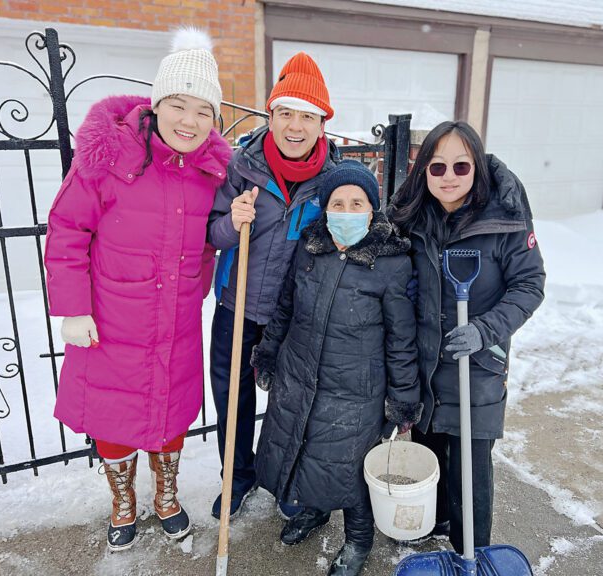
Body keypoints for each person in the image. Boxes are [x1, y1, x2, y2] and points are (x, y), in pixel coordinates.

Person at [44, 28, 231, 551]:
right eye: (178, 105)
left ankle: (166, 496)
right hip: (110, 319)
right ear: (156, 104)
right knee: (114, 414)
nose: (189, 121)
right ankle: (123, 499)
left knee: (170, 410)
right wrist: (72, 309)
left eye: (203, 111)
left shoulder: (212, 172)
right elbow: (66, 230)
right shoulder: (109, 157)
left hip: (174, 319)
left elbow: (213, 236)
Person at [250, 160, 422, 576]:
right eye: (337, 203)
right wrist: (268, 353)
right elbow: (285, 308)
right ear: (326, 209)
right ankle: (314, 511)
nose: (346, 211)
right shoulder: (310, 249)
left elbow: (402, 340)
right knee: (307, 448)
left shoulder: (392, 263)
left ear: (372, 209)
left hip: (356, 390)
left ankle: (358, 539)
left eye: (356, 203)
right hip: (301, 373)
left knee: (349, 468)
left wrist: (402, 401)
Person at [388, 120, 545, 553]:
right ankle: (433, 521)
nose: (449, 177)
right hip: (425, 361)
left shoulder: (504, 218)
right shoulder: (412, 217)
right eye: (437, 168)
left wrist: (485, 330)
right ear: (423, 172)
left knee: (470, 470)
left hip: (476, 365)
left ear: (476, 166)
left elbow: (530, 285)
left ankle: (470, 549)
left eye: (461, 165)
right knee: (429, 449)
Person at [207, 52, 340, 520]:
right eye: (286, 113)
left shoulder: (333, 181)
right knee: (233, 400)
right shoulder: (241, 167)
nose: (296, 126)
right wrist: (230, 223)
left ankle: (287, 480)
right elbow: (210, 230)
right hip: (238, 305)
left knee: (295, 403)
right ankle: (237, 477)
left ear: (323, 124)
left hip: (299, 314)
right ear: (271, 115)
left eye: (308, 116)